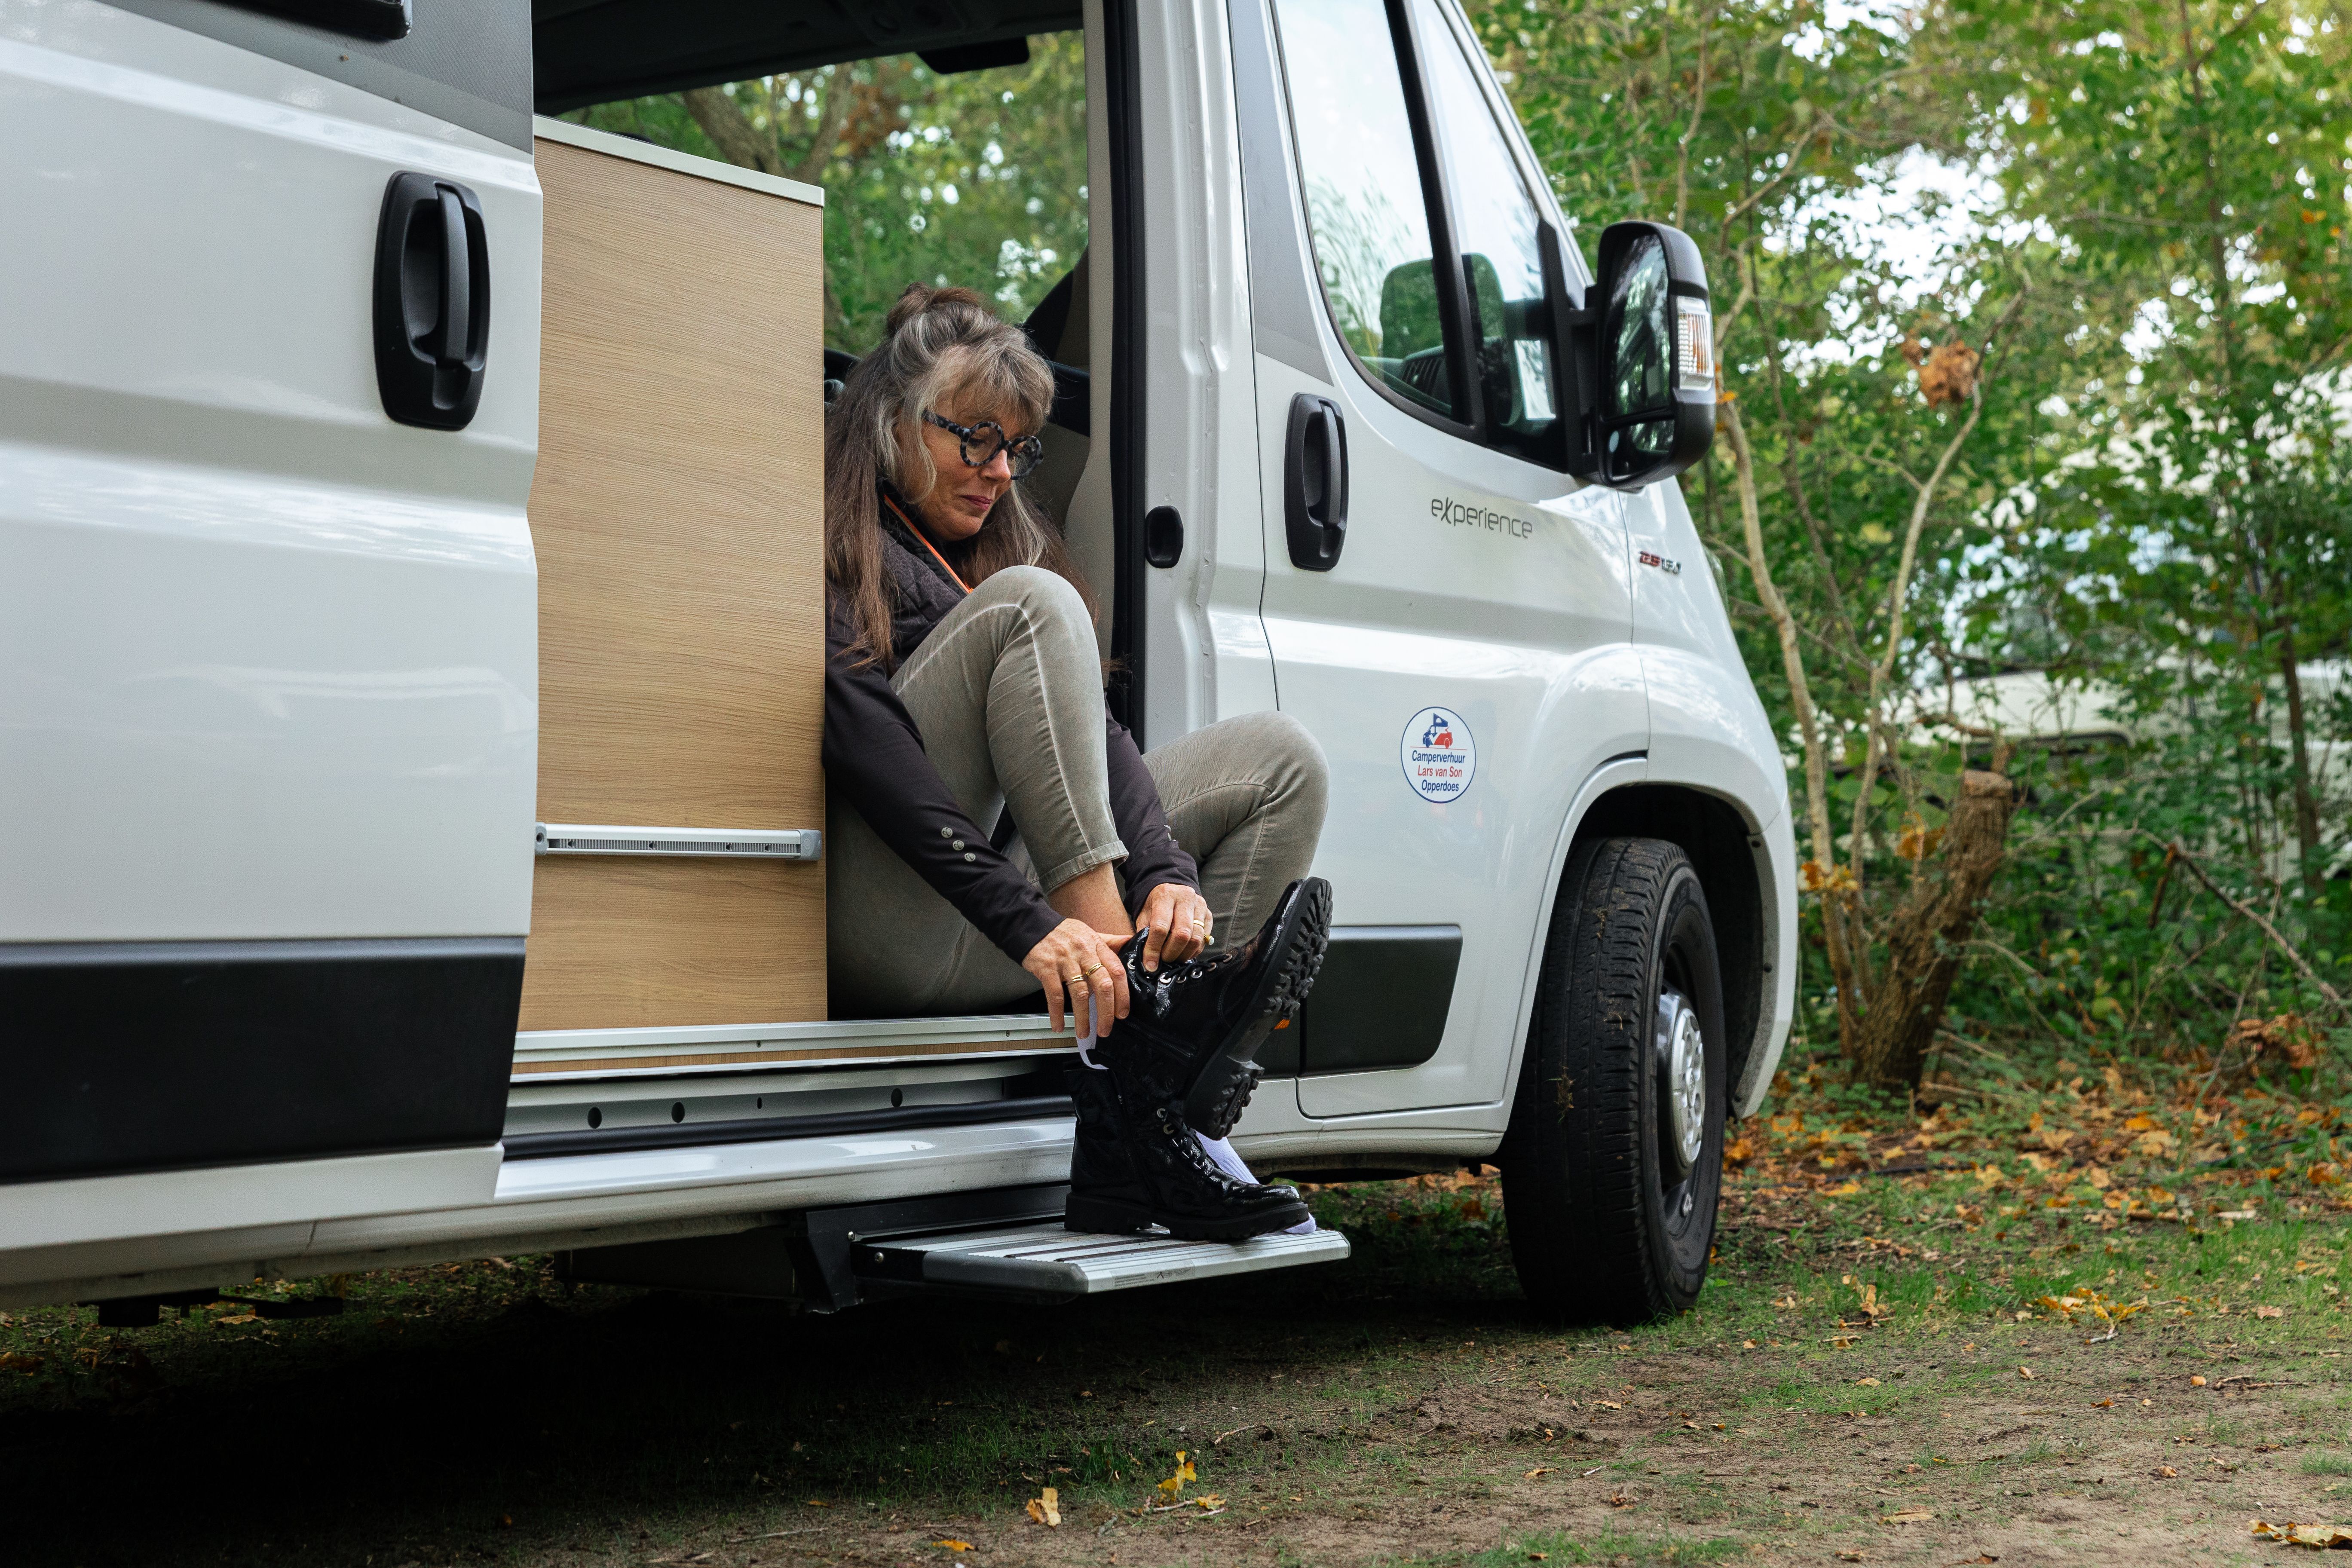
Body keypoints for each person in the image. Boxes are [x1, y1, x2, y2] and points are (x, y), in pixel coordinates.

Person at [821, 283, 1335, 1241]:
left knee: (1282, 762)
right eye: (974, 439)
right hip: (892, 923)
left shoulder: (993, 545)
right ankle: (1140, 1041)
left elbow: (1096, 740)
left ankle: (1145, 1115)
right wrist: (1031, 923)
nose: (999, 472)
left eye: (1015, 448)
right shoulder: (829, 530)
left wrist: (1170, 875)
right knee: (1037, 601)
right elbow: (873, 759)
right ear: (893, 419)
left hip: (1002, 920)